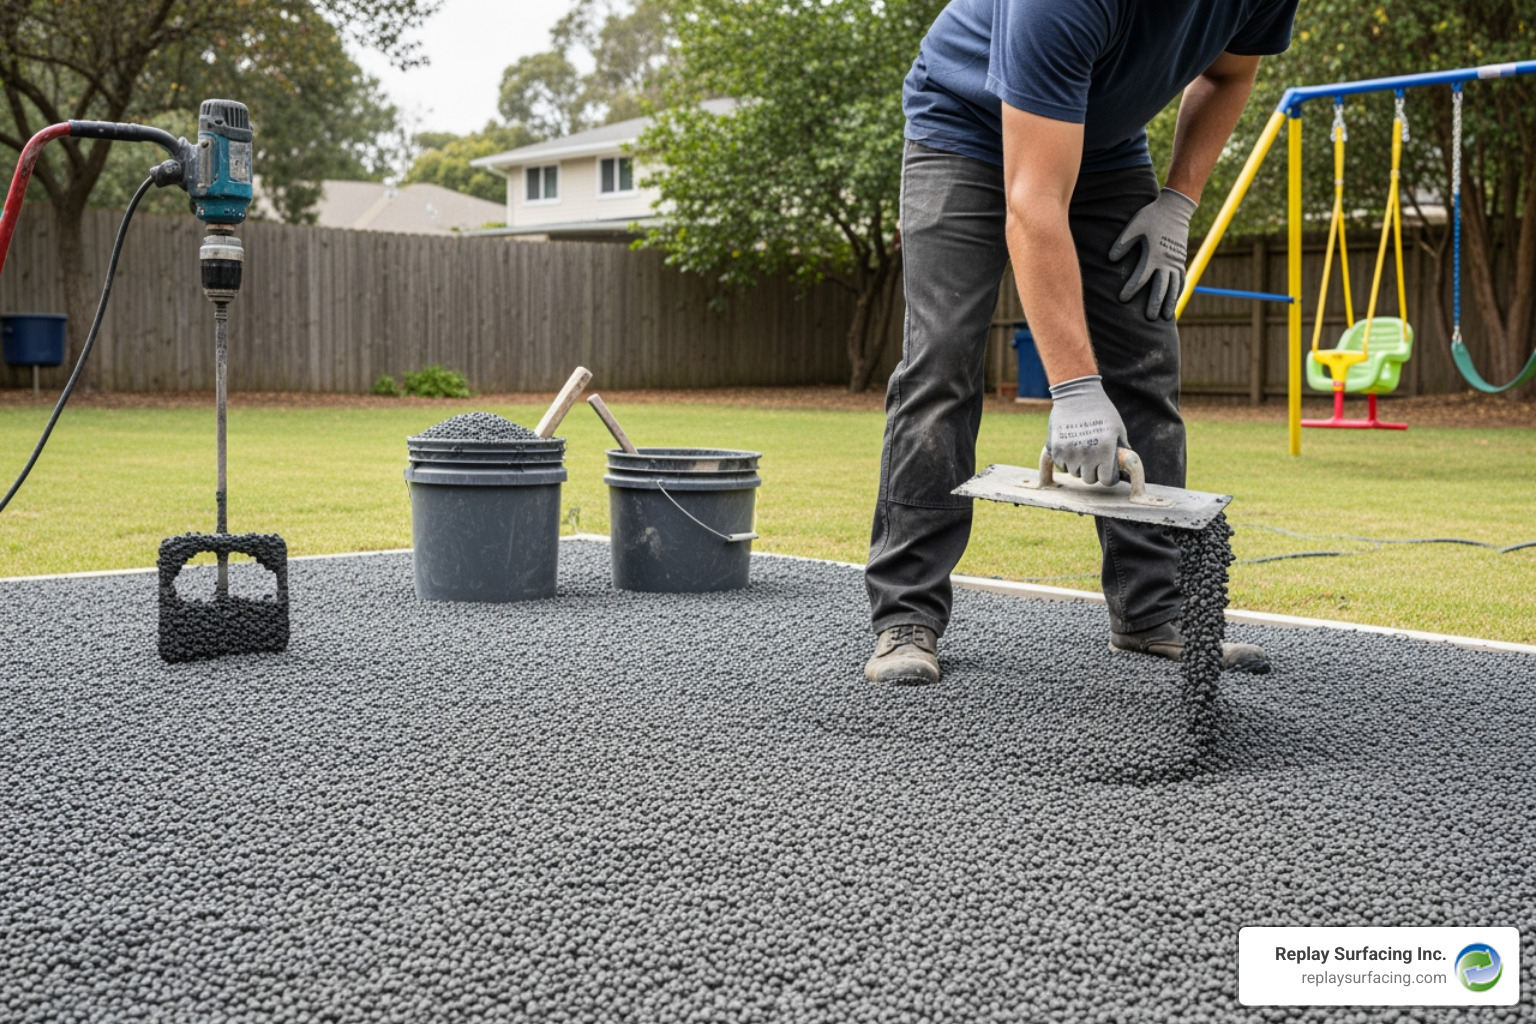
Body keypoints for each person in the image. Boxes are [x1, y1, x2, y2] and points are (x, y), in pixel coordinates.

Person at [864, 0, 1299, 685]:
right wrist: (1072, 389)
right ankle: (905, 616)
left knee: (1146, 356)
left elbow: (1228, 75)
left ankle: (1152, 610)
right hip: (964, 125)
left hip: (1105, 143)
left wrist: (1179, 201)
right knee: (942, 361)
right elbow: (1033, 201)